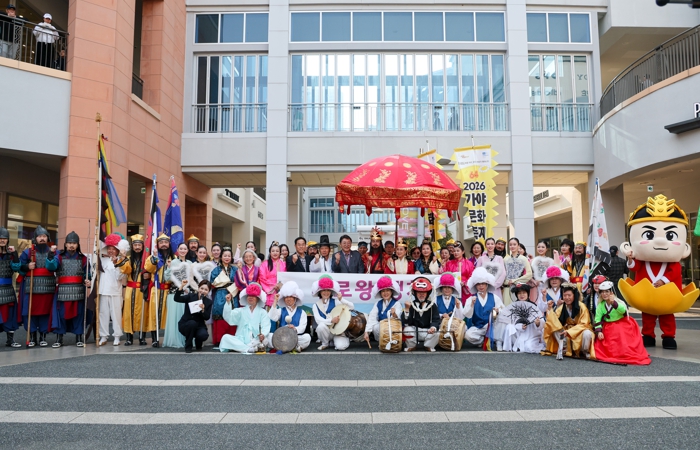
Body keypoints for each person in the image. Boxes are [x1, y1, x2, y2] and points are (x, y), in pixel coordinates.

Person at [17, 226, 58, 347]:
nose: (42, 239)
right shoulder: (27, 252)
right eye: (39, 236)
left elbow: (59, 266)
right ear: (35, 238)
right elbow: (19, 267)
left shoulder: (54, 252)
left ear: (47, 238)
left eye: (44, 236)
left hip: (48, 287)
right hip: (31, 287)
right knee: (30, 312)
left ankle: (43, 336)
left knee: (45, 312)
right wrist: (27, 266)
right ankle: (32, 336)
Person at [593, 281, 651, 365]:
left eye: (607, 291)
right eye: (602, 292)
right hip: (608, 326)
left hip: (621, 323)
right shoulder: (600, 305)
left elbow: (623, 311)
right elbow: (597, 319)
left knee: (620, 335)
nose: (604, 294)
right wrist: (599, 331)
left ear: (611, 292)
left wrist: (613, 303)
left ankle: (623, 354)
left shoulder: (619, 302)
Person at [51, 231, 90, 348]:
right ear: (65, 244)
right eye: (69, 243)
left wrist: (87, 280)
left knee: (79, 314)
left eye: (74, 243)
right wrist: (50, 255)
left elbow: (88, 273)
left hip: (78, 290)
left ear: (78, 245)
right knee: (61, 315)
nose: (71, 245)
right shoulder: (58, 257)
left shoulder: (83, 259)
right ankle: (59, 338)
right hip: (63, 290)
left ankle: (79, 338)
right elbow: (51, 267)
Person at [542, 282, 594, 360]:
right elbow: (554, 321)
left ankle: (583, 351)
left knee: (587, 333)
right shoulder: (562, 307)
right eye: (564, 295)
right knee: (554, 329)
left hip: (580, 331)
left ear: (574, 295)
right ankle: (565, 348)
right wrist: (550, 309)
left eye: (569, 295)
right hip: (567, 330)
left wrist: (569, 332)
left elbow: (584, 324)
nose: (567, 298)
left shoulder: (582, 306)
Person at [220, 282, 269, 354]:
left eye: (253, 296)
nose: (250, 297)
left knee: (268, 337)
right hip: (241, 340)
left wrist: (263, 334)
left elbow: (266, 325)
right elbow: (228, 316)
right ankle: (248, 349)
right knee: (225, 338)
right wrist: (228, 302)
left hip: (256, 340)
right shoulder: (240, 311)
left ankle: (244, 348)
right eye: (249, 295)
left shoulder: (263, 312)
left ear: (258, 298)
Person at [144, 233, 173, 347]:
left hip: (168, 291)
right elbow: (148, 268)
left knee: (168, 315)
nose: (164, 245)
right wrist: (155, 258)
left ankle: (168, 338)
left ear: (169, 244)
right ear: (158, 245)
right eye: (161, 243)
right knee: (154, 314)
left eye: (166, 242)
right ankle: (154, 339)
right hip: (156, 289)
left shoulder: (173, 258)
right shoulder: (153, 257)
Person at [119, 234, 149, 346]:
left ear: (142, 246)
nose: (137, 247)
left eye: (139, 245)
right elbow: (126, 270)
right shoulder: (128, 258)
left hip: (142, 289)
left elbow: (151, 269)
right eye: (135, 245)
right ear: (132, 246)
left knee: (142, 313)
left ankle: (142, 337)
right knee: (129, 313)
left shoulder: (146, 259)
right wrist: (122, 258)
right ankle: (129, 338)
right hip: (130, 289)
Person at [463, 267, 504, 348]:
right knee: (468, 335)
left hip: (492, 326)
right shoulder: (471, 299)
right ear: (475, 286)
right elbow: (467, 314)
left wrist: (498, 310)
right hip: (478, 327)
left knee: (501, 327)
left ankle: (493, 339)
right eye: (478, 284)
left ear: (487, 285)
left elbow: (503, 310)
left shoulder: (494, 297)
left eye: (483, 283)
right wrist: (471, 305)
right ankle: (483, 340)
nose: (481, 286)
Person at [497, 283, 544, 353]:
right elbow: (509, 320)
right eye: (519, 293)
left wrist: (538, 323)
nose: (522, 295)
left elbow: (541, 321)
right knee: (509, 327)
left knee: (528, 348)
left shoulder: (533, 306)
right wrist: (519, 326)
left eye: (524, 293)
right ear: (516, 295)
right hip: (517, 333)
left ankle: (524, 344)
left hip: (530, 334)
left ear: (528, 294)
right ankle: (509, 345)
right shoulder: (513, 307)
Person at [312, 274, 354, 351]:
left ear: (331, 292)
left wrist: (341, 299)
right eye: (324, 290)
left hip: (338, 331)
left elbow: (351, 307)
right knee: (320, 326)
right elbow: (318, 320)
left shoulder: (336, 302)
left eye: (328, 290)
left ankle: (337, 341)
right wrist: (331, 320)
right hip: (326, 331)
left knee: (340, 347)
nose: (326, 292)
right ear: (320, 292)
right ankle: (325, 343)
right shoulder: (315, 305)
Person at [98, 234, 126, 346]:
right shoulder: (102, 259)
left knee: (116, 315)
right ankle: (103, 336)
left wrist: (116, 264)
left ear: (117, 250)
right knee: (103, 314)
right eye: (109, 248)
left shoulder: (121, 261)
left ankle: (117, 336)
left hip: (115, 292)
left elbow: (120, 276)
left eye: (113, 249)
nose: (110, 251)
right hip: (103, 290)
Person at [267, 281, 311, 352]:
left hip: (294, 337)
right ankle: (292, 347)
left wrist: (294, 329)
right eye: (286, 297)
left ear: (295, 298)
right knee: (269, 336)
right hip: (282, 337)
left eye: (291, 297)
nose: (288, 299)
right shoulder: (281, 310)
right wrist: (275, 301)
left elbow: (302, 327)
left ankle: (288, 346)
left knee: (307, 337)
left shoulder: (302, 312)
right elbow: (272, 317)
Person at [402, 277, 441, 352]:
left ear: (427, 293)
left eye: (424, 292)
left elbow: (436, 319)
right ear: (415, 293)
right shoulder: (411, 305)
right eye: (419, 292)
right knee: (407, 329)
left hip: (428, 331)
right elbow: (406, 323)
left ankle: (429, 346)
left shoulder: (432, 305)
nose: (421, 294)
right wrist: (406, 309)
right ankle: (411, 346)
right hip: (415, 331)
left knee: (437, 332)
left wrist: (433, 327)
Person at [163, 242, 190, 348]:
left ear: (187, 251)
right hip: (175, 293)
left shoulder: (190, 263)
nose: (183, 251)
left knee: (186, 317)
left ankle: (187, 339)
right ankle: (174, 339)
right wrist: (169, 267)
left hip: (186, 293)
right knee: (174, 318)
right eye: (181, 249)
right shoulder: (173, 262)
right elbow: (167, 279)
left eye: (185, 249)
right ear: (177, 250)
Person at [173, 279, 212, 353]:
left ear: (208, 291)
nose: (203, 291)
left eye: (206, 290)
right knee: (192, 323)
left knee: (203, 335)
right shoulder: (190, 296)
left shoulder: (208, 302)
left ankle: (198, 342)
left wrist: (203, 310)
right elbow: (176, 299)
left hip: (199, 325)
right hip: (186, 323)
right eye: (201, 288)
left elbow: (207, 317)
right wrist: (181, 286)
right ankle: (188, 345)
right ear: (198, 288)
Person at [363, 276, 403, 343]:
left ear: (391, 292)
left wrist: (394, 314)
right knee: (376, 327)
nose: (385, 293)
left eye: (387, 290)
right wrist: (366, 331)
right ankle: (381, 342)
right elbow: (372, 318)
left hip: (393, 330)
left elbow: (398, 317)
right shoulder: (377, 304)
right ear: (380, 293)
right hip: (381, 331)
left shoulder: (397, 303)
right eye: (383, 291)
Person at [210, 247, 237, 346]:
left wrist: (231, 292)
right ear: (221, 257)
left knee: (232, 314)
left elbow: (238, 282)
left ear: (231, 257)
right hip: (220, 294)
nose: (227, 257)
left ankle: (232, 340)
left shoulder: (235, 269)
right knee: (220, 314)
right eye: (225, 256)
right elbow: (213, 282)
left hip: (232, 294)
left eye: (229, 256)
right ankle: (219, 340)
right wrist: (224, 280)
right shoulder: (216, 269)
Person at [0, 226, 20, 348]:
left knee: (10, 315)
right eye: (0, 238)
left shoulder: (11, 255)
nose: (2, 240)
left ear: (7, 240)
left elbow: (16, 268)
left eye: (4, 238)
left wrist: (15, 254)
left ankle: (10, 340)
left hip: (7, 288)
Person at [502, 238, 533, 306]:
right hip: (507, 288)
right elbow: (503, 274)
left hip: (519, 289)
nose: (512, 246)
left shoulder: (524, 259)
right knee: (507, 308)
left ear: (518, 246)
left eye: (514, 244)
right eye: (510, 245)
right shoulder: (505, 259)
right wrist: (506, 282)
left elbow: (529, 274)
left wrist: (515, 280)